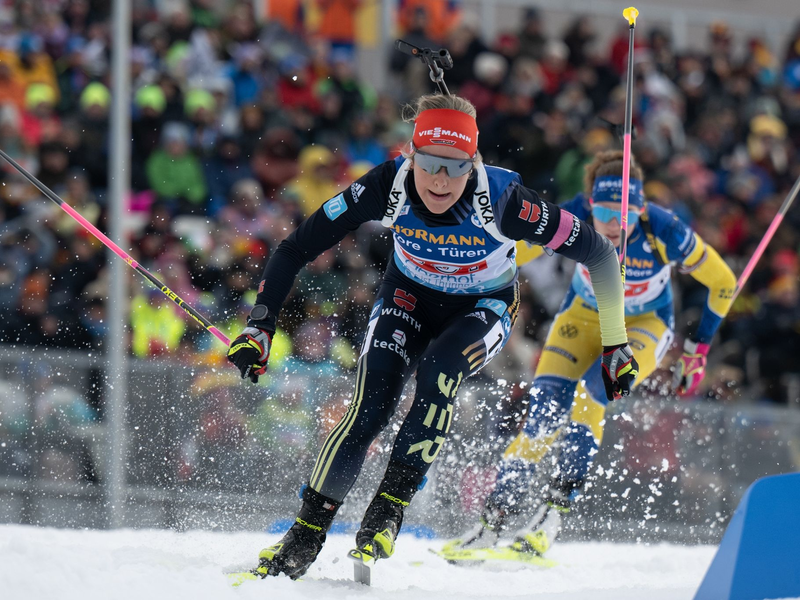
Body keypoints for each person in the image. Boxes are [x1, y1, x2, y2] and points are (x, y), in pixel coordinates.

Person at [226, 94, 639, 580]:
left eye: (455, 167)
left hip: (481, 308)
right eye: (429, 164)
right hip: (407, 299)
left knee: (440, 372)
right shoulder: (386, 185)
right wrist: (260, 327)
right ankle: (304, 535)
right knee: (369, 406)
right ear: (411, 155)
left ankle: (388, 509)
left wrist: (615, 343)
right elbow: (295, 247)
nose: (440, 181)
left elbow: (601, 255)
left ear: (473, 163)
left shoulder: (506, 201)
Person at [451, 149, 736, 557]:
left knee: (593, 393)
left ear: (641, 208)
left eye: (626, 213)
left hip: (644, 327)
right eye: (604, 212)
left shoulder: (664, 228)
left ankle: (550, 516)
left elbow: (724, 283)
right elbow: (518, 251)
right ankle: (492, 522)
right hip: (583, 318)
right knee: (543, 415)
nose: (615, 224)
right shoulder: (576, 213)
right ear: (590, 206)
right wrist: (470, 266)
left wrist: (697, 349)